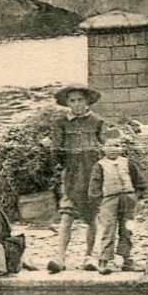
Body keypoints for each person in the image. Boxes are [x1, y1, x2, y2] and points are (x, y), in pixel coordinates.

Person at [45, 84, 105, 273]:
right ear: (67, 103)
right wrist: (58, 162)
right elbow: (56, 149)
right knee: (67, 214)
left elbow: (105, 146)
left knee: (92, 215)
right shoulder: (61, 123)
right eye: (72, 101)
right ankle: (60, 257)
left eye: (80, 100)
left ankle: (90, 256)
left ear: (87, 101)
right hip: (71, 174)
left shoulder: (97, 121)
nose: (77, 104)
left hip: (92, 174)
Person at [87, 133, 147, 274]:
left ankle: (127, 260)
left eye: (117, 145)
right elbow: (94, 186)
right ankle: (104, 260)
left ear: (122, 148)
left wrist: (136, 196)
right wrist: (99, 202)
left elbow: (139, 181)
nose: (113, 149)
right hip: (109, 201)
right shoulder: (100, 165)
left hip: (128, 199)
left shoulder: (127, 163)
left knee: (127, 229)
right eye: (109, 146)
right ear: (103, 148)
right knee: (109, 229)